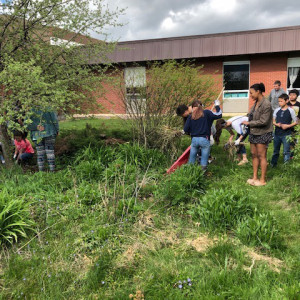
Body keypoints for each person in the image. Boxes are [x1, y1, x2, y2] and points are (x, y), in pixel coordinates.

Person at [242, 83, 273, 186]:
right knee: (254, 154)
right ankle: (255, 177)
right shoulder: (255, 103)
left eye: (251, 93)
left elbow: (264, 121)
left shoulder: (266, 104)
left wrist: (249, 123)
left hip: (263, 132)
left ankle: (262, 180)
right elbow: (250, 115)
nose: (250, 95)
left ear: (258, 91)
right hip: (253, 132)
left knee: (261, 156)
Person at [183, 99, 222, 169]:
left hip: (194, 140)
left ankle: (189, 174)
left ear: (192, 107)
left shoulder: (190, 116)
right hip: (204, 139)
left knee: (191, 161)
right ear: (201, 106)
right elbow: (219, 115)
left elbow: (185, 129)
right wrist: (217, 105)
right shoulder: (207, 113)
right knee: (203, 162)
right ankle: (202, 175)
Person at [271, 94, 298, 167]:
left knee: (286, 151)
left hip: (286, 134)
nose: (279, 103)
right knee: (275, 151)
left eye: (281, 101)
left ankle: (286, 166)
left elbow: (296, 122)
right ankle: (273, 165)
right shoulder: (277, 110)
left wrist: (288, 126)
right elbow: (273, 121)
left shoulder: (291, 110)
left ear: (286, 101)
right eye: (279, 101)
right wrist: (277, 124)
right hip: (277, 134)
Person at [287, 89, 300, 158]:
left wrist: (297, 122)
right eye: (290, 95)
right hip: (287, 125)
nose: (291, 96)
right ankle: (287, 154)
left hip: (295, 125)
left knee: (293, 141)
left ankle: (291, 155)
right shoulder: (286, 104)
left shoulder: (298, 104)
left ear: (297, 96)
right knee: (287, 141)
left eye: (293, 95)